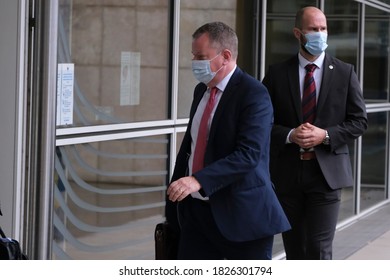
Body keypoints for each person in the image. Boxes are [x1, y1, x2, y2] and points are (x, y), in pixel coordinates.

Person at [165, 21, 290, 260]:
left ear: (226, 56)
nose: (195, 62)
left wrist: (197, 180)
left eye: (201, 56)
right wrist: (173, 205)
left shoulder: (254, 93)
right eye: (193, 55)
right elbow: (190, 147)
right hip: (197, 215)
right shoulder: (201, 91)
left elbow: (249, 155)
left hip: (242, 217)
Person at [262, 6, 368, 260]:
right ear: (298, 33)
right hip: (288, 174)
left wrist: (325, 135)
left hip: (326, 175)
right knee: (295, 248)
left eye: (323, 29)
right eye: (313, 29)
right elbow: (262, 123)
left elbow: (359, 121)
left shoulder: (345, 72)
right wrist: (289, 135)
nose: (320, 34)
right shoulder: (277, 74)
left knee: (320, 249)